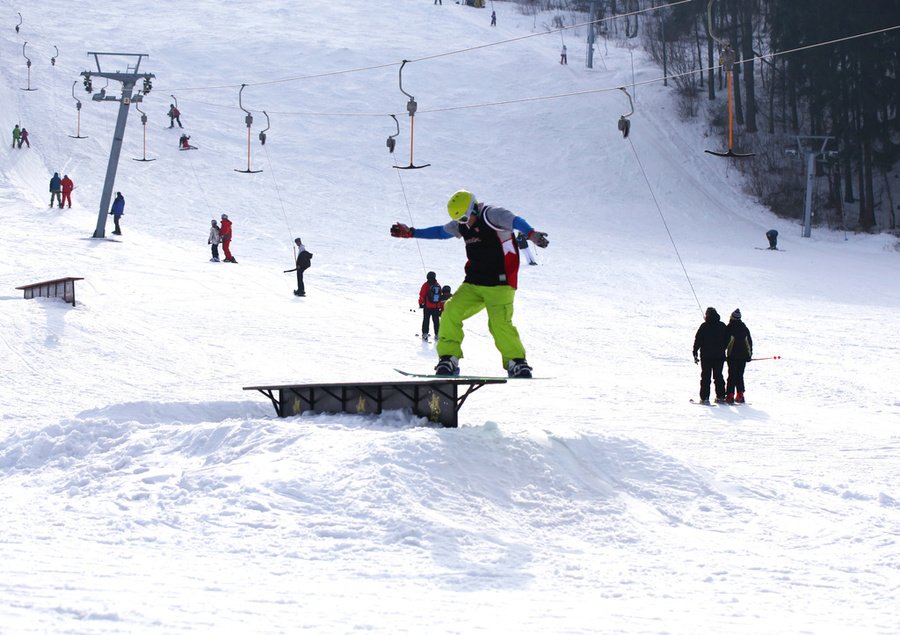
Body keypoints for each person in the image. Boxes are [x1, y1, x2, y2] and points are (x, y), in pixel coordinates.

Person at [390, 190, 549, 378]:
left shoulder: (493, 214)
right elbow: (441, 232)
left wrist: (530, 233)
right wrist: (412, 233)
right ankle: (448, 359)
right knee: (450, 311)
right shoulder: (462, 223)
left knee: (499, 324)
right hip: (473, 283)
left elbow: (515, 220)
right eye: (459, 220)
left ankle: (517, 362)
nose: (464, 223)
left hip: (501, 283)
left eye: (465, 218)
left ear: (473, 207)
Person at [692, 307, 728, 404]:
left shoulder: (704, 326)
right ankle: (720, 396)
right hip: (719, 357)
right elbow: (727, 340)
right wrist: (722, 349)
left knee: (705, 377)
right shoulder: (722, 326)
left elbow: (698, 340)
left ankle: (704, 398)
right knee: (718, 376)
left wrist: (695, 352)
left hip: (706, 357)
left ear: (707, 315)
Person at [724, 309, 753, 404]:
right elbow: (749, 343)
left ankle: (730, 396)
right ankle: (740, 395)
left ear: (732, 317)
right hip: (743, 357)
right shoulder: (744, 328)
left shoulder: (729, 328)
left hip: (732, 356)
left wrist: (723, 354)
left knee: (731, 376)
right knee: (740, 376)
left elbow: (726, 343)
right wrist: (749, 355)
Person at [418, 271, 444, 340]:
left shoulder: (426, 285)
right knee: (436, 321)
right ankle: (437, 334)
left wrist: (421, 303)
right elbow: (440, 297)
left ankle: (425, 334)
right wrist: (440, 307)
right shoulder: (438, 285)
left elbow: (422, 295)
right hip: (436, 307)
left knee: (426, 320)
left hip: (427, 306)